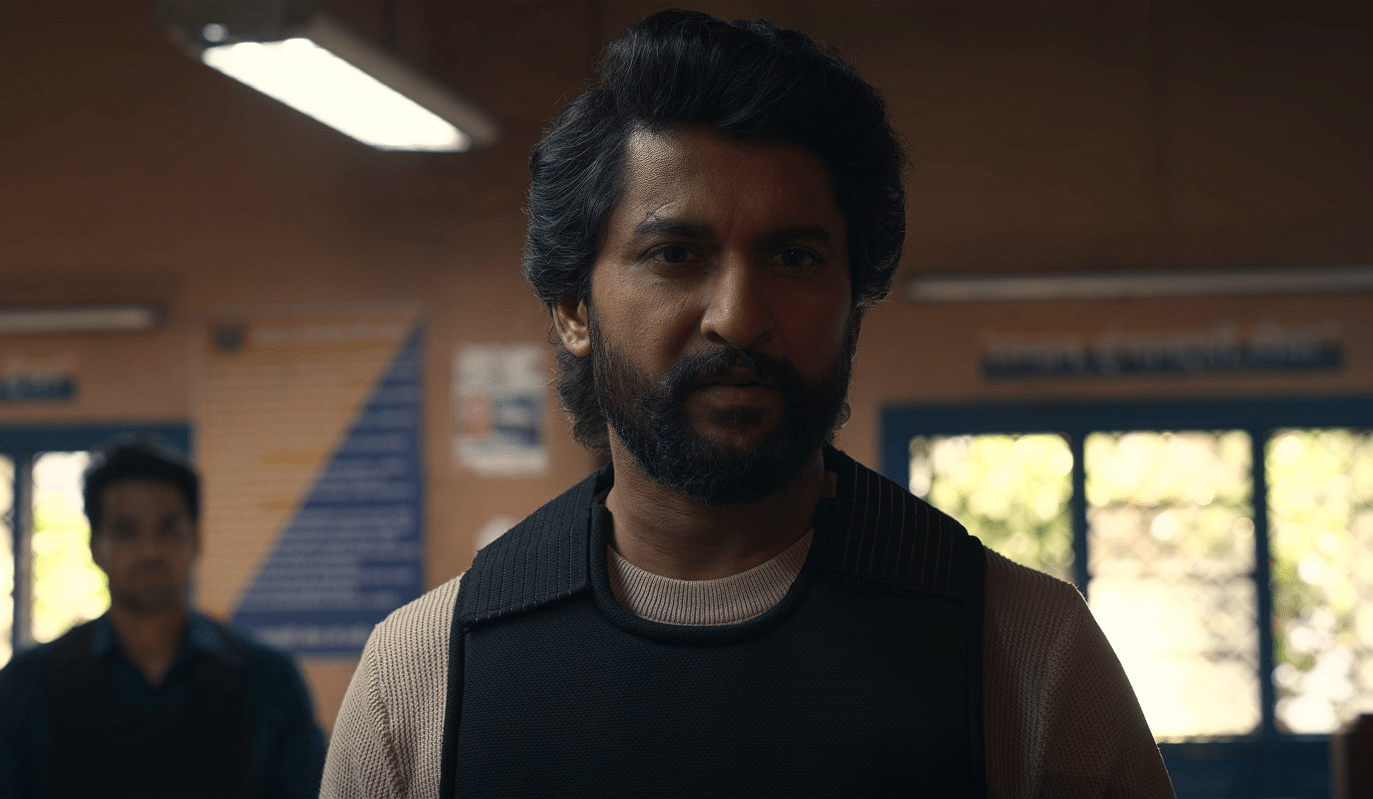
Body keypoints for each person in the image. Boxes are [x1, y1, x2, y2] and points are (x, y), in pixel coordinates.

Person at [322, 11, 1173, 799]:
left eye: (795, 257)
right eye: (675, 253)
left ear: (855, 299)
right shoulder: (423, 677)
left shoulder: (1027, 655)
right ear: (573, 308)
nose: (738, 314)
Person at [0, 441, 325, 798]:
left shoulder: (269, 683)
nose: (150, 550)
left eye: (168, 529)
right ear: (95, 545)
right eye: (126, 531)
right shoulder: (24, 689)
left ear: (196, 539)